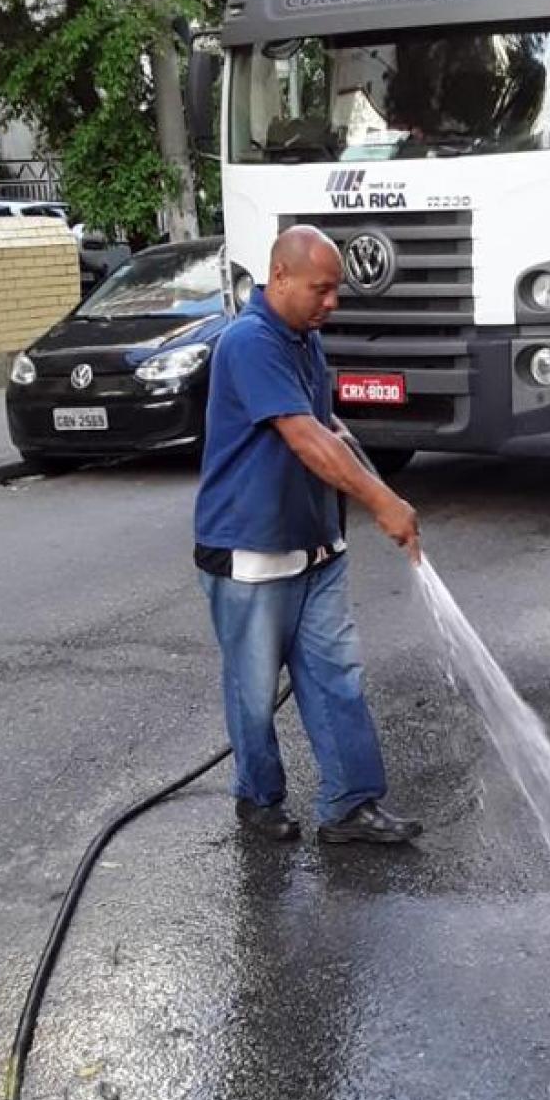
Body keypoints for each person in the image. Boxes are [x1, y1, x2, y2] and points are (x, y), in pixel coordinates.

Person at [194, 224, 423, 845]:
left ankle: (350, 805)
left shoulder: (301, 340)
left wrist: (388, 494)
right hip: (250, 551)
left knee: (335, 676)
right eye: (322, 289)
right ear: (281, 278)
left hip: (316, 546)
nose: (333, 302)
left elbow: (330, 427)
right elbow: (305, 439)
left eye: (336, 290)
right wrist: (381, 503)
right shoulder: (249, 342)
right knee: (253, 687)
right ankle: (259, 799)